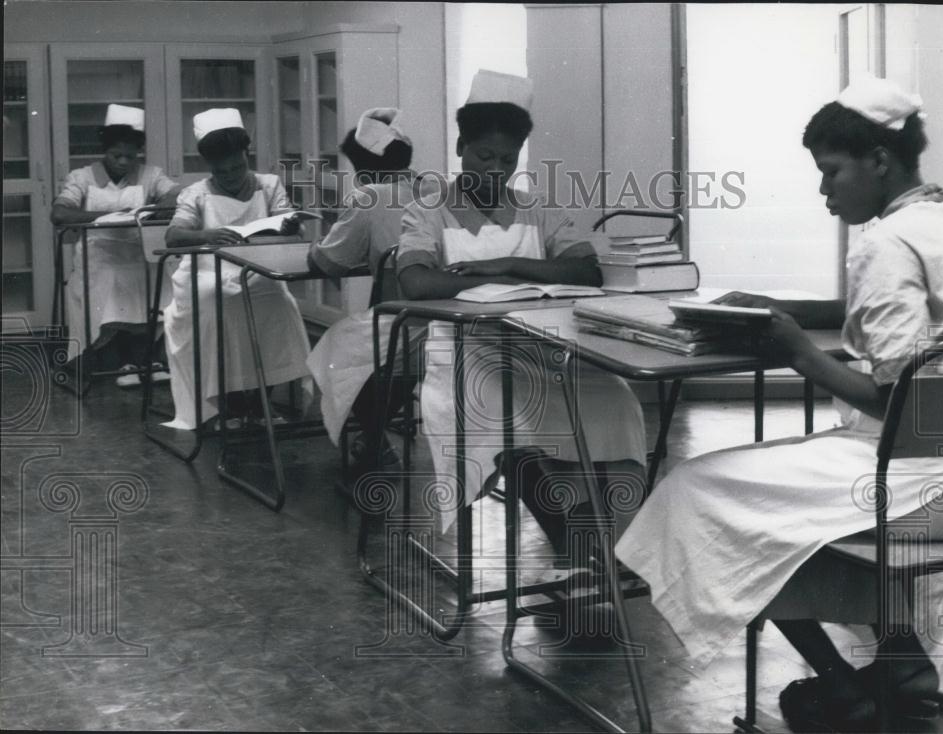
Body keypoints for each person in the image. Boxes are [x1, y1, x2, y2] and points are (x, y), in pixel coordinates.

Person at [615, 74, 943, 732]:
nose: (824, 192)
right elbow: (907, 329)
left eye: (831, 172)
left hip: (922, 483)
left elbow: (896, 403)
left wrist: (797, 349)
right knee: (779, 499)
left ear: (879, 160)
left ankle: (846, 682)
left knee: (699, 490)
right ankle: (900, 660)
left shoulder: (881, 241)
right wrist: (783, 308)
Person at [396, 70, 647, 598]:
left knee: (615, 403)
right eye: (484, 156)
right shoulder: (428, 208)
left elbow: (587, 272)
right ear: (461, 148)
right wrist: (518, 274)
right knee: (511, 423)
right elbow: (416, 281)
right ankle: (577, 550)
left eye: (507, 160)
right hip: (465, 353)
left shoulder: (538, 206)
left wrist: (505, 265)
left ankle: (597, 544)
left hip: (543, 347)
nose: (495, 169)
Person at [162, 108, 311, 429]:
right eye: (223, 171)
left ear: (248, 155)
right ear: (210, 167)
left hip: (259, 270)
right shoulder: (196, 194)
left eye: (238, 166)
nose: (232, 175)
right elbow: (173, 235)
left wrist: (287, 226)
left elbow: (292, 227)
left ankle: (260, 401)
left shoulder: (268, 185)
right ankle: (229, 404)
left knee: (279, 302)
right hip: (206, 272)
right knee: (222, 304)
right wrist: (206, 235)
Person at [306, 108, 424, 473]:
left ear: (363, 168)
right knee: (384, 350)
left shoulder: (369, 197)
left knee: (326, 344)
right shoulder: (435, 187)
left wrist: (315, 243)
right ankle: (373, 439)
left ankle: (372, 438)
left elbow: (327, 264)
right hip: (444, 323)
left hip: (404, 327)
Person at [51, 104, 181, 386]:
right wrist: (113, 218)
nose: (123, 162)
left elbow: (177, 195)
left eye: (130, 156)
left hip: (139, 255)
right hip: (98, 259)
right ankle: (119, 360)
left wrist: (156, 208)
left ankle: (147, 357)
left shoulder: (151, 175)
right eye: (116, 155)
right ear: (104, 151)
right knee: (110, 283)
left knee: (161, 281)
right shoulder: (82, 177)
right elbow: (60, 214)